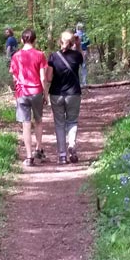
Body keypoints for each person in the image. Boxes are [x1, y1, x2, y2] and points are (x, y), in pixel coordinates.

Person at [9, 28, 49, 166]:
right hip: (36, 91)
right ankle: (38, 148)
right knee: (38, 121)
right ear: (35, 40)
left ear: (21, 40)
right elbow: (43, 78)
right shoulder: (40, 55)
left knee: (26, 124)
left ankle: (29, 156)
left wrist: (19, 83)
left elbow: (14, 75)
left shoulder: (16, 56)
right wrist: (45, 94)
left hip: (22, 93)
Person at [47, 30, 83, 164]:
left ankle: (62, 155)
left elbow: (49, 78)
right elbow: (82, 59)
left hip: (56, 94)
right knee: (72, 121)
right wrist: (78, 45)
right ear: (72, 42)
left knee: (59, 124)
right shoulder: (76, 56)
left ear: (59, 41)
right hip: (73, 93)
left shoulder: (53, 57)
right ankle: (72, 144)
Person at [75, 22, 90, 87]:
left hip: (77, 52)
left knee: (77, 67)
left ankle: (78, 82)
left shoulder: (75, 35)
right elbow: (88, 43)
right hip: (83, 51)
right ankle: (84, 82)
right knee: (83, 66)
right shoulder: (84, 35)